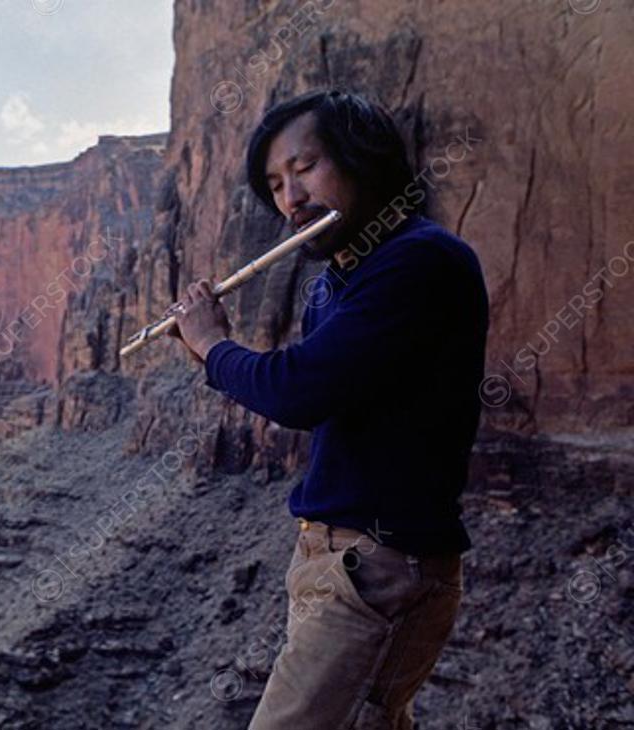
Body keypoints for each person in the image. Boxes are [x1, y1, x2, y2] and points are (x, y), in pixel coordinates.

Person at [169, 89, 489, 729]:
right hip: (329, 561)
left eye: (305, 167)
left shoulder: (419, 262)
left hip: (380, 568)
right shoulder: (338, 281)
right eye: (276, 183)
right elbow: (323, 401)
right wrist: (212, 354)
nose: (291, 197)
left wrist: (210, 344)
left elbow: (297, 391)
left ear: (364, 159)